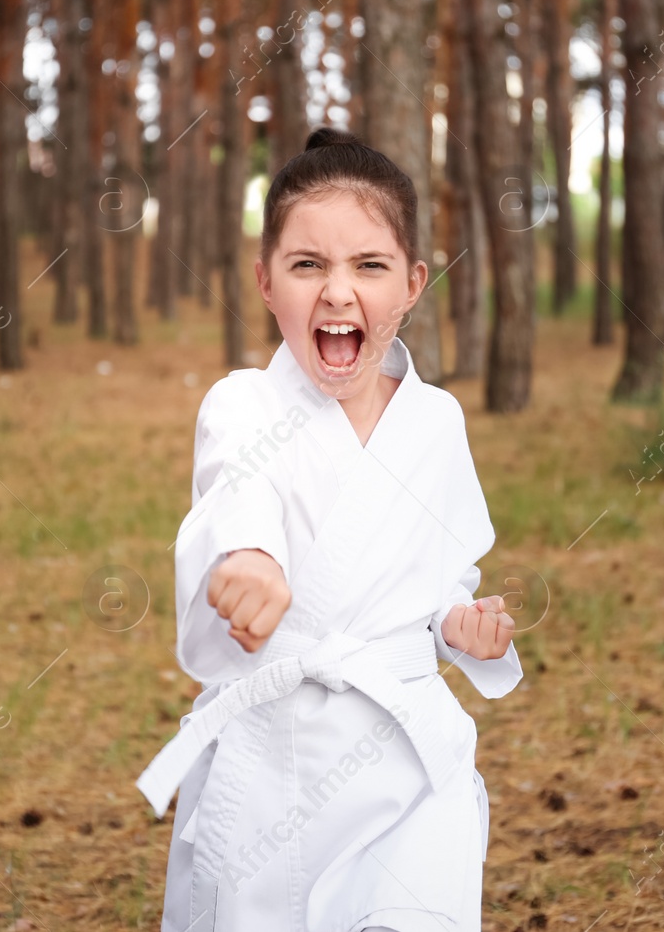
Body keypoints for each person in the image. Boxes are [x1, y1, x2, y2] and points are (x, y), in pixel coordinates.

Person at [137, 127, 522, 931]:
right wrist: (249, 556)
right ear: (266, 281)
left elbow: (436, 573)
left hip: (407, 760)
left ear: (413, 283)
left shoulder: (437, 421)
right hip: (274, 756)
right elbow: (237, 490)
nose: (338, 292)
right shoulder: (245, 402)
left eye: (369, 266)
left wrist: (460, 624)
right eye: (307, 265)